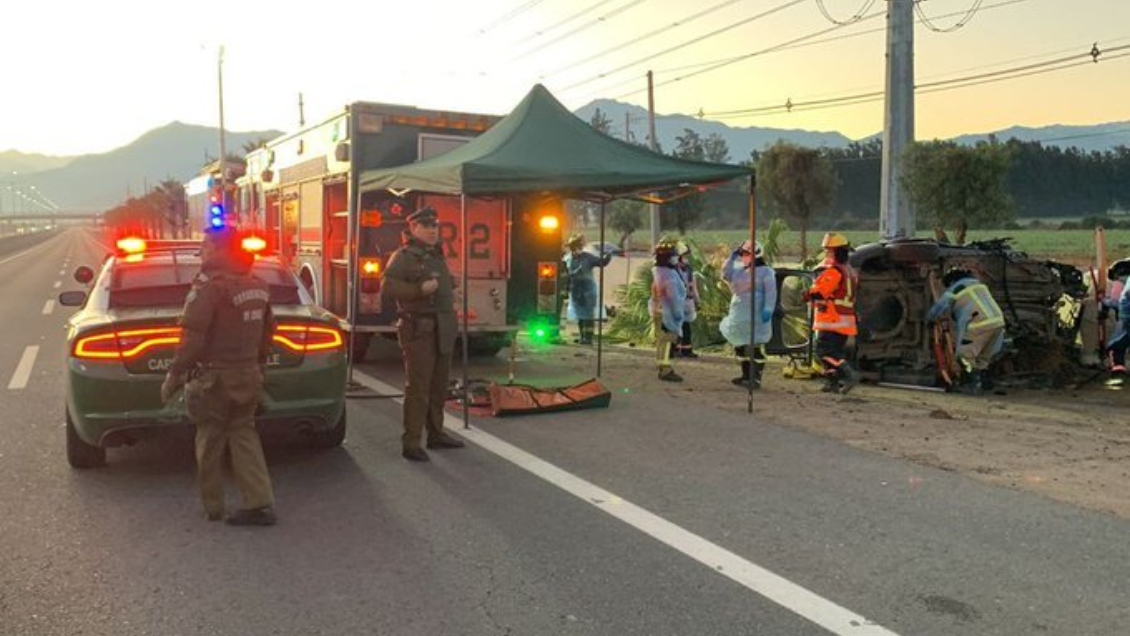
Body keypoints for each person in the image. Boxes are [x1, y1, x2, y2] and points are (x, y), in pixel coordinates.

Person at [160, 227, 277, 526]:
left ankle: (213, 506)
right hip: (248, 376)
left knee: (210, 438)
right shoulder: (258, 284)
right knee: (244, 433)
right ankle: (259, 502)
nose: (201, 252)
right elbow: (268, 332)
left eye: (205, 245)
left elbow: (192, 337)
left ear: (218, 249)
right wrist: (259, 366)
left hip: (214, 380)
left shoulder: (209, 288)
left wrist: (175, 374)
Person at [381, 206, 466, 462]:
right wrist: (419, 290)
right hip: (419, 330)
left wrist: (450, 286)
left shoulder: (435, 255)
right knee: (418, 388)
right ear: (413, 228)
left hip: (442, 328)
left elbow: (438, 283)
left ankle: (436, 433)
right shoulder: (404, 256)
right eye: (426, 226)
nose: (432, 231)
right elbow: (388, 286)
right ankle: (411, 442)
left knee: (439, 386)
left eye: (435, 226)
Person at [926, 267, 1006, 395]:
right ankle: (984, 384)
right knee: (982, 358)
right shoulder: (980, 285)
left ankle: (971, 386)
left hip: (978, 324)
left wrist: (930, 319)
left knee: (964, 356)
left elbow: (940, 306)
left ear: (952, 281)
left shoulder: (956, 288)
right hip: (998, 322)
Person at [803, 232, 859, 394]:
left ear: (834, 251)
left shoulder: (834, 271)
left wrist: (807, 293)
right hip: (845, 320)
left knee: (824, 352)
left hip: (832, 319)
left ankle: (849, 374)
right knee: (834, 352)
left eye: (828, 250)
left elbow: (821, 292)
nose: (826, 253)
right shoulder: (850, 271)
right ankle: (832, 382)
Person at [720, 240, 777, 389]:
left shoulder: (767, 272)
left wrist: (768, 309)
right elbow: (725, 274)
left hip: (756, 314)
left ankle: (755, 378)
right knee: (740, 345)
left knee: (754, 347)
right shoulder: (739, 270)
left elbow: (771, 293)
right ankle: (745, 376)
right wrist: (731, 258)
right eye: (743, 254)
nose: (744, 257)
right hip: (739, 313)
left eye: (747, 254)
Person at [563, 234, 612, 345]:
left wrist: (608, 256)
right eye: (574, 247)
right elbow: (566, 275)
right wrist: (566, 289)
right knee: (579, 314)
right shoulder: (567, 259)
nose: (577, 249)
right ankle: (582, 336)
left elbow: (601, 262)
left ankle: (588, 338)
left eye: (578, 246)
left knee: (588, 314)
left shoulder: (588, 257)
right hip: (575, 289)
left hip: (588, 289)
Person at [649, 238, 687, 382]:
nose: (676, 258)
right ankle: (666, 370)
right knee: (668, 342)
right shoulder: (669, 275)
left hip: (658, 310)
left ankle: (662, 368)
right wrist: (678, 314)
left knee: (662, 341)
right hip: (668, 313)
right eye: (674, 256)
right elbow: (673, 297)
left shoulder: (659, 272)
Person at [674, 241, 701, 358]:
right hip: (677, 301)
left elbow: (693, 286)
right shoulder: (673, 270)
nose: (687, 258)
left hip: (687, 302)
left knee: (686, 327)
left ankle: (686, 350)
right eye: (685, 256)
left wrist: (697, 301)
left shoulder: (689, 269)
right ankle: (675, 350)